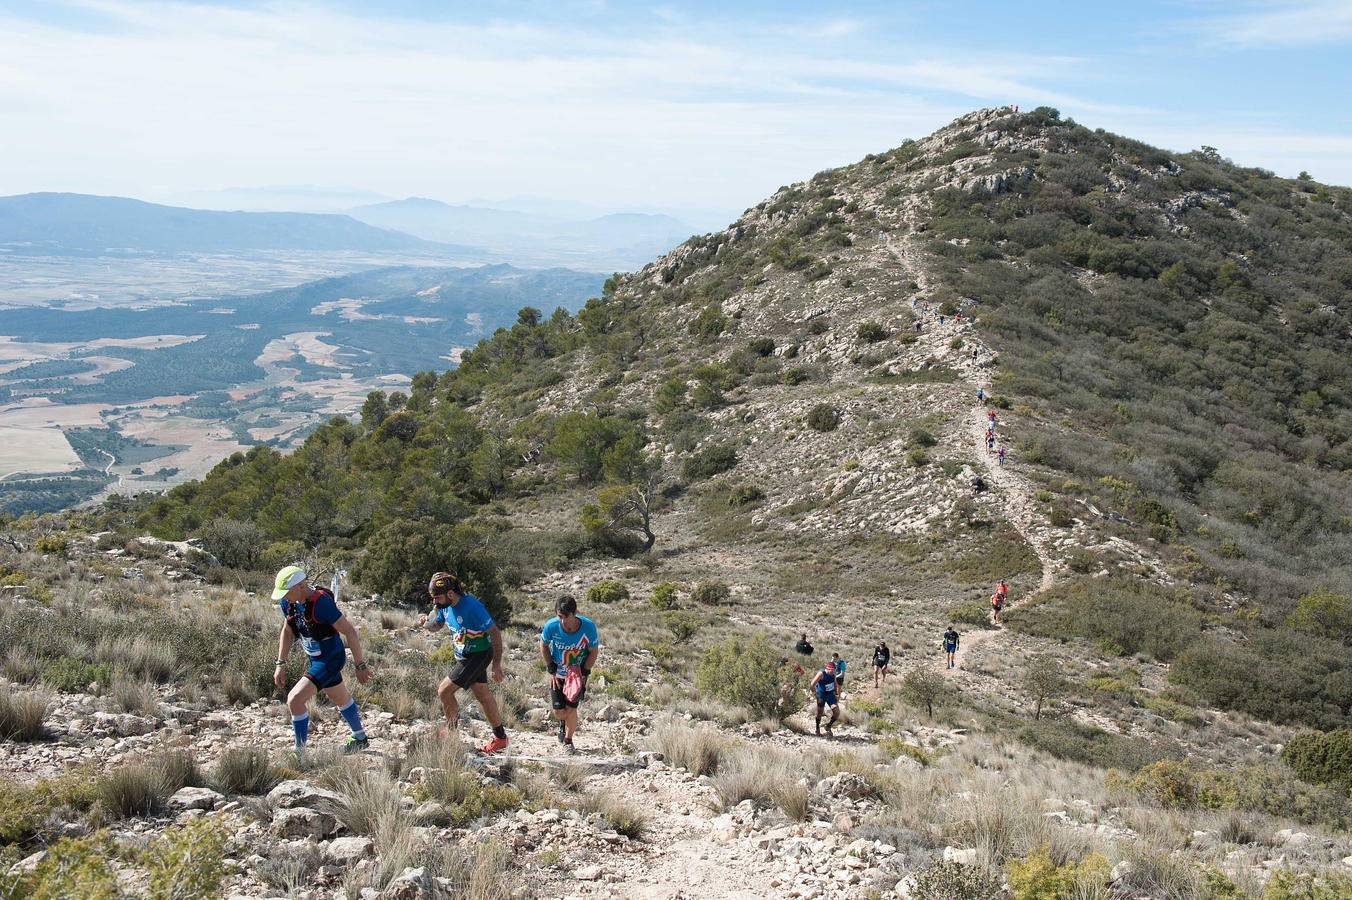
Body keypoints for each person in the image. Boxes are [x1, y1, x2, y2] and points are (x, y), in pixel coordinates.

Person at [272, 565, 371, 758]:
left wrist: (360, 664)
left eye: (286, 592)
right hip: (314, 658)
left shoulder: (322, 603)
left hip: (330, 658)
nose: (284, 597)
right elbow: (288, 630)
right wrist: (280, 663)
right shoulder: (289, 603)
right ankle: (359, 738)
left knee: (295, 699)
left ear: (300, 586)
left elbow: (350, 631)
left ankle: (299, 754)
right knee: (339, 697)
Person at [419, 572, 509, 754]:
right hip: (465, 655)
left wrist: (496, 665)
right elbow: (438, 625)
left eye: (437, 598)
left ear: (451, 594)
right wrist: (427, 625)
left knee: (444, 691)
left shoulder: (473, 607)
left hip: (478, 655)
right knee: (483, 696)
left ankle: (451, 732)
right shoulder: (444, 606)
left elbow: (495, 633)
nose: (435, 602)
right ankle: (501, 738)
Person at [539, 595, 599, 755]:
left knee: (571, 708)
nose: (563, 621)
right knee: (559, 711)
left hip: (577, 673)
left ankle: (568, 740)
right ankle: (563, 723)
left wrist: (585, 673)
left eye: (567, 616)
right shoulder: (551, 626)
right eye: (560, 616)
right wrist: (551, 669)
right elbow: (543, 645)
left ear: (575, 612)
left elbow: (593, 651)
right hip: (558, 672)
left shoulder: (588, 627)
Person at [810, 662, 840, 736]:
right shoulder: (821, 674)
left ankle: (828, 726)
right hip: (821, 695)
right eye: (832, 670)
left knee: (836, 712)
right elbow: (812, 685)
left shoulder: (833, 674)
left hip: (830, 695)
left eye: (834, 670)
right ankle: (817, 729)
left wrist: (836, 694)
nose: (833, 672)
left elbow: (835, 683)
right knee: (820, 713)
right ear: (828, 669)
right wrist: (817, 696)